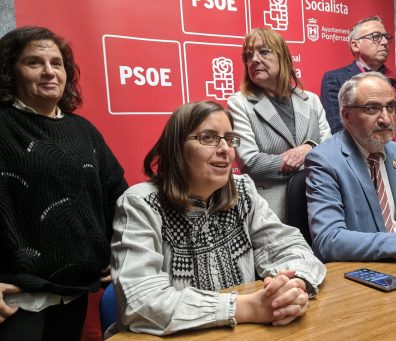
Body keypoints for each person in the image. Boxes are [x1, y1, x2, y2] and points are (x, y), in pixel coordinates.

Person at [110, 101, 326, 336]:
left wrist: (291, 288)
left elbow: (291, 247)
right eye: (209, 138)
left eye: (230, 139)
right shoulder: (140, 203)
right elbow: (140, 301)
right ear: (176, 147)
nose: (225, 149)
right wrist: (244, 308)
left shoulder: (242, 189)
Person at [0, 26, 127, 340]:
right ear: (9, 71)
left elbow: (119, 196)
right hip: (14, 301)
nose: (48, 72)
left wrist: (122, 254)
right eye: (34, 62)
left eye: (56, 63)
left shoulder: (83, 130)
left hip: (73, 295)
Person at [306, 72, 396, 262]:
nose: (386, 119)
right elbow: (328, 240)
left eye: (390, 107)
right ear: (347, 115)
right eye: (372, 108)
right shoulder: (324, 161)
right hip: (362, 274)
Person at [228, 27, 331, 221]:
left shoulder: (311, 100)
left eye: (264, 51)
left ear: (283, 57)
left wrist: (309, 148)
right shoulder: (240, 103)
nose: (255, 59)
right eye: (248, 55)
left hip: (319, 205)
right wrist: (310, 159)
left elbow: (330, 150)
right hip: (272, 214)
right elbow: (252, 164)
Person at [320, 16, 396, 170]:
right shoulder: (336, 79)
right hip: (363, 170)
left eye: (386, 37)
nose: (384, 42)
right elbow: (339, 132)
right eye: (376, 37)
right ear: (355, 45)